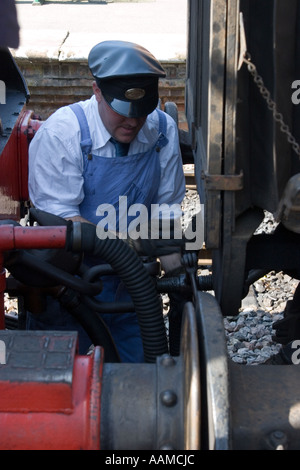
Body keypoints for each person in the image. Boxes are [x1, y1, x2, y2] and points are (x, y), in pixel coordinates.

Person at [27, 40, 187, 363]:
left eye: (142, 111)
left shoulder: (162, 132)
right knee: (60, 392)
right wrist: (132, 243)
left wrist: (180, 276)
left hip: (134, 294)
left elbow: (166, 210)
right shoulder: (62, 135)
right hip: (69, 291)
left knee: (147, 388)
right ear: (97, 91)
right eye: (123, 111)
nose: (133, 121)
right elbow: (60, 226)